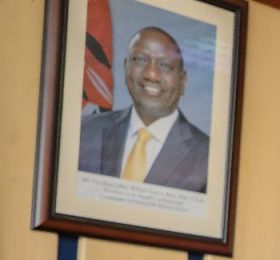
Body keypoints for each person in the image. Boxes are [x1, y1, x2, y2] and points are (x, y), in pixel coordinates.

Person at [78, 26, 209, 193]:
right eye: (140, 60)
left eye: (165, 65)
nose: (151, 74)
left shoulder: (208, 157)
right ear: (126, 67)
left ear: (182, 81)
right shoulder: (84, 131)